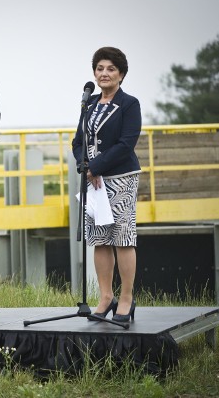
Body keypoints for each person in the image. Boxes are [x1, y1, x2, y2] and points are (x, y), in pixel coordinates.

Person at [72, 46, 142, 323]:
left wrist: (96, 167)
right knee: (100, 239)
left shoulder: (129, 104)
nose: (104, 73)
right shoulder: (88, 104)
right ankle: (105, 297)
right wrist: (85, 166)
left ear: (121, 74)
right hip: (94, 181)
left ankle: (126, 299)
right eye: (100, 68)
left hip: (121, 178)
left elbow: (127, 143)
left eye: (111, 68)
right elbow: (78, 142)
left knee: (122, 239)